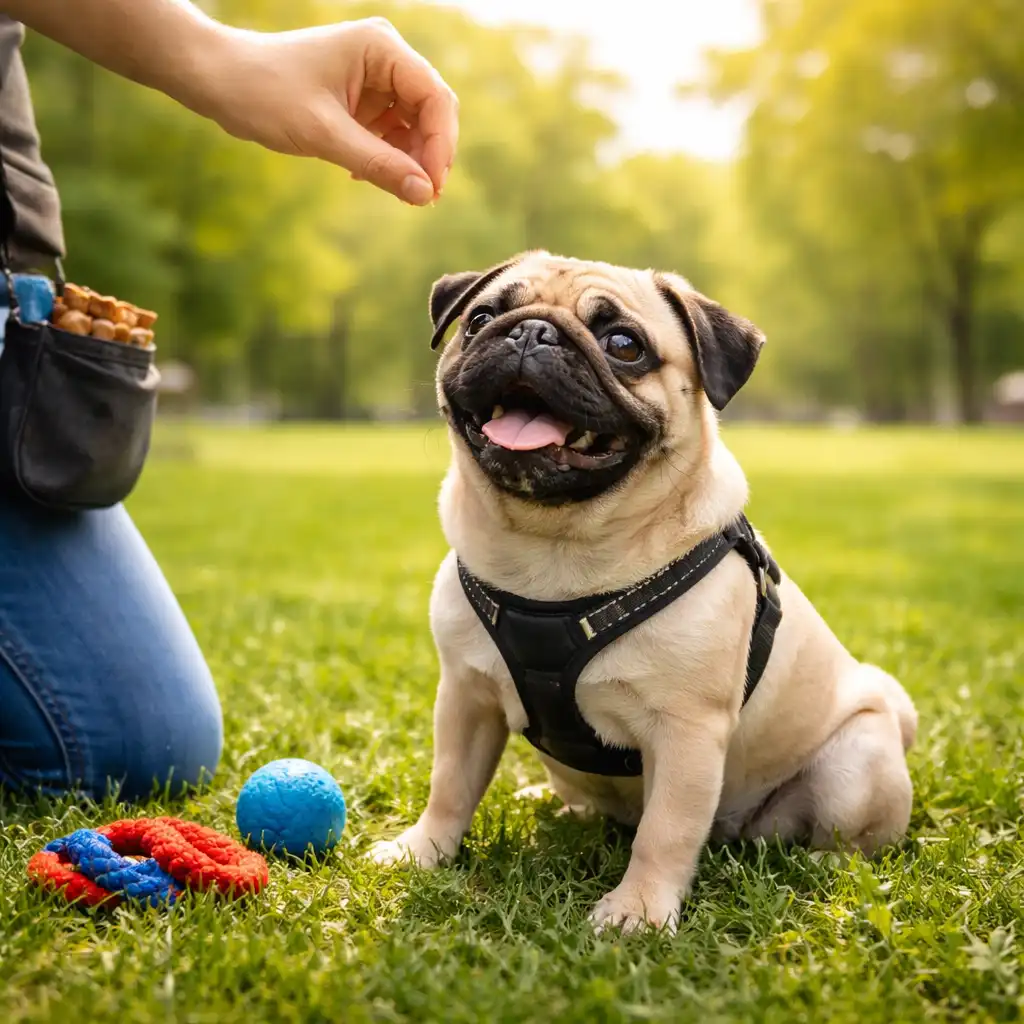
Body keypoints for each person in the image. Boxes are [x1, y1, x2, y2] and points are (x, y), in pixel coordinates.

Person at [0, 0, 458, 801]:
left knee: (136, 742)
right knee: (102, 743)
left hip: (19, 284)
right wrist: (213, 55)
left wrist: (226, 61)